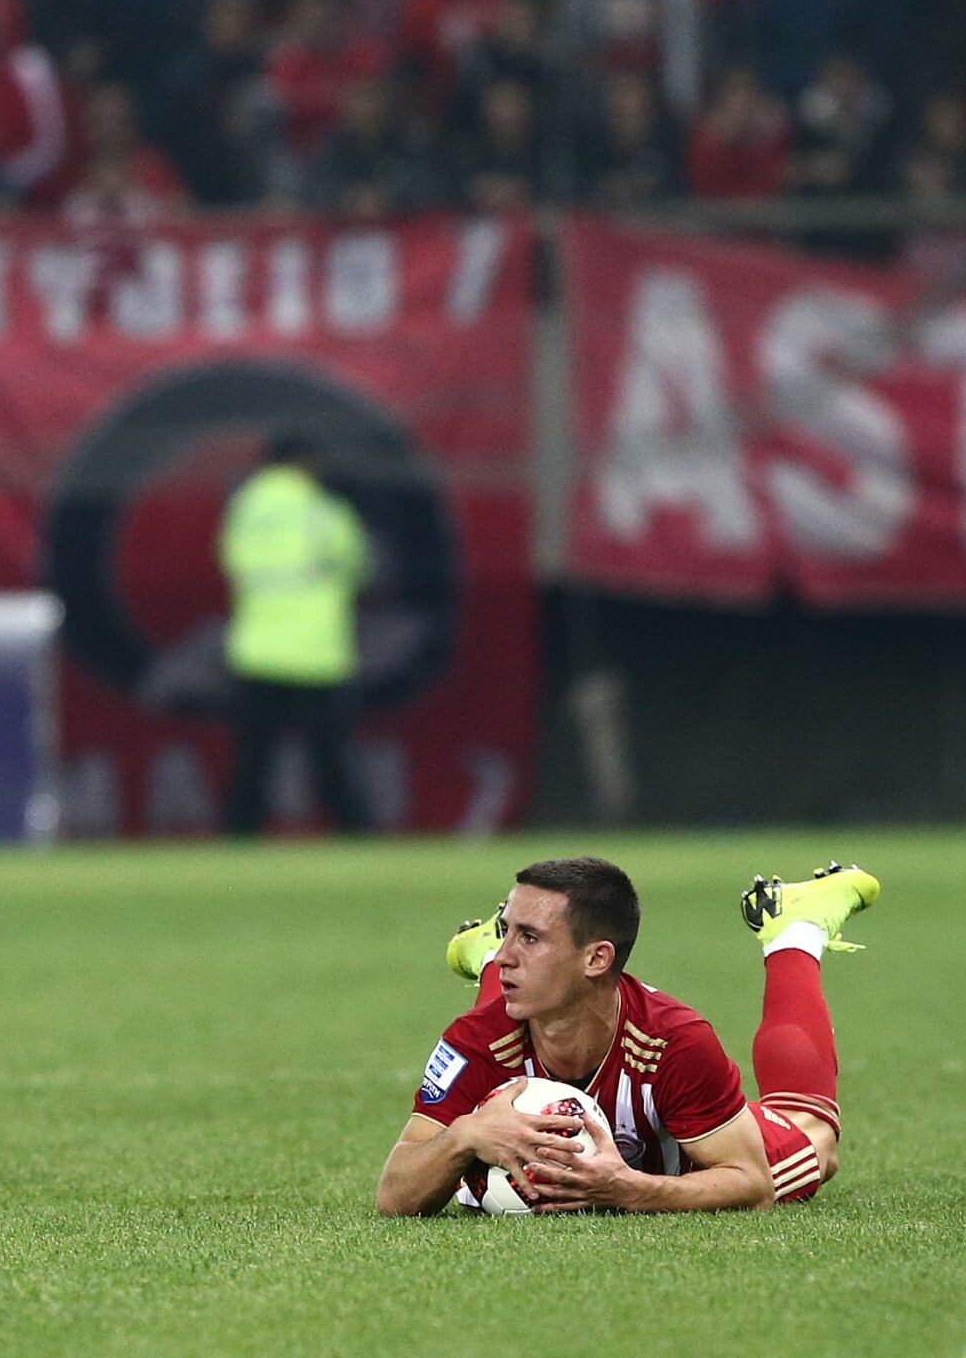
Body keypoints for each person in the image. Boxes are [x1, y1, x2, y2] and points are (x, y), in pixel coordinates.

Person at [376, 857, 880, 1215]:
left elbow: (753, 1185)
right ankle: (485, 948)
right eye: (507, 932)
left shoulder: (674, 1040)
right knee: (518, 1003)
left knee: (817, 1139)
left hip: (681, 1167)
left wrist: (627, 1189)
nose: (510, 954)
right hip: (531, 1016)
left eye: (528, 936)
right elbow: (394, 1194)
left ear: (598, 958)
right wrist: (466, 1134)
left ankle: (796, 928)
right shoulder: (474, 1040)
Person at [217, 435, 370, 836]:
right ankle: (354, 834)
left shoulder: (244, 508)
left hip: (257, 650)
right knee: (331, 758)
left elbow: (230, 563)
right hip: (317, 653)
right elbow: (358, 566)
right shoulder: (322, 510)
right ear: (305, 463)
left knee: (253, 759)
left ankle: (238, 836)